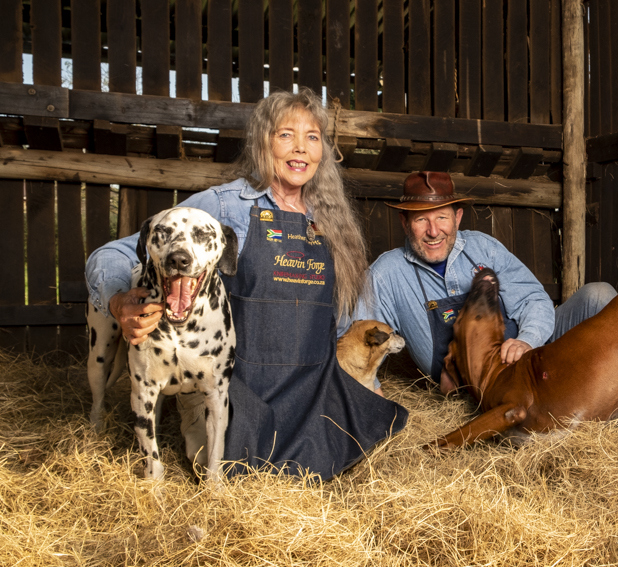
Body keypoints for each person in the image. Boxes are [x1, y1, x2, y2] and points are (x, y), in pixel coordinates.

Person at [85, 89, 408, 480]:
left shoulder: (333, 222)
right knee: (234, 471)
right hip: (236, 388)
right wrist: (119, 301)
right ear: (262, 142)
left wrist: (364, 382)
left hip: (309, 387)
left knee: (341, 451)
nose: (300, 148)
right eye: (285, 134)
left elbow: (337, 320)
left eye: (312, 137)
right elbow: (114, 254)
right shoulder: (223, 206)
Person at [356, 171, 618, 433]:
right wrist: (374, 392)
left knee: (599, 295)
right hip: (481, 384)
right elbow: (361, 337)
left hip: (536, 357)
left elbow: (534, 299)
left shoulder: (483, 247)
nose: (433, 231)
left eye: (441, 217)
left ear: (458, 217)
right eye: (421, 220)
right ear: (403, 222)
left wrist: (527, 340)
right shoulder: (387, 274)